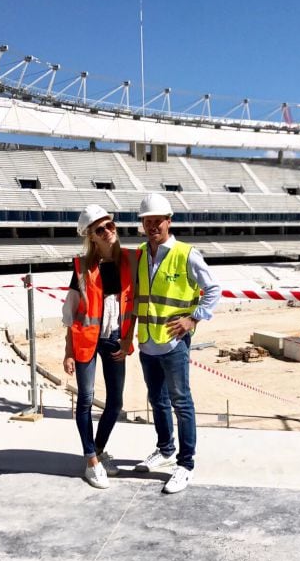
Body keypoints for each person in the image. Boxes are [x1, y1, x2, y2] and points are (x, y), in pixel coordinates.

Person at [133, 193, 221, 494]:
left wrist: (193, 320)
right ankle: (166, 449)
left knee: (182, 403)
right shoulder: (141, 255)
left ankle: (185, 464)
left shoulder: (186, 254)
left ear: (168, 221)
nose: (153, 225)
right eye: (148, 221)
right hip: (148, 343)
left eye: (158, 220)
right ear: (143, 225)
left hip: (173, 346)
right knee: (158, 401)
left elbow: (213, 290)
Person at [62, 204, 137, 489]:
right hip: (87, 343)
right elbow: (70, 312)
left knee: (115, 402)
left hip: (116, 339)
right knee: (86, 398)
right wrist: (68, 351)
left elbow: (135, 303)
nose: (108, 231)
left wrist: (129, 338)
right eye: (100, 229)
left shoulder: (129, 260)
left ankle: (99, 449)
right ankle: (91, 461)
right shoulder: (81, 267)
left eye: (110, 226)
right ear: (91, 236)